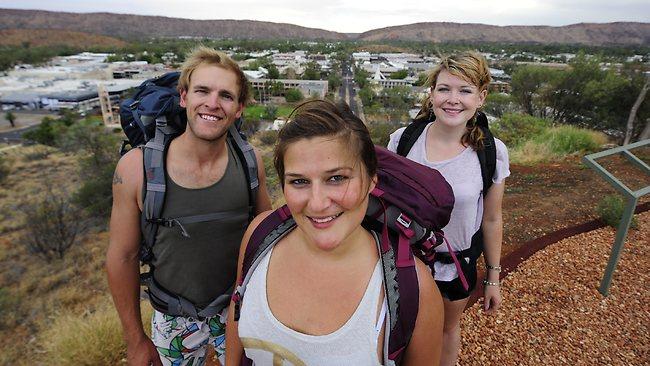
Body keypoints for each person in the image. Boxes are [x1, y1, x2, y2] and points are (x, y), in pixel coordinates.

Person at [225, 99, 444, 366]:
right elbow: (237, 310)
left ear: (371, 180)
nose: (317, 203)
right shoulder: (260, 234)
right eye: (299, 181)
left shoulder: (413, 288)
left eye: (337, 178)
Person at [107, 46, 272, 366]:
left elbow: (265, 239)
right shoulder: (136, 169)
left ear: (239, 108)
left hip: (238, 311)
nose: (212, 103)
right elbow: (122, 256)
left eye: (226, 95)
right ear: (184, 97)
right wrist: (135, 340)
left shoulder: (251, 162)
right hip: (173, 316)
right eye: (202, 91)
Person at [387, 51, 510, 366]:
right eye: (444, 89)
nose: (453, 99)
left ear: (480, 98)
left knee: (445, 329)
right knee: (397, 328)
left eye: (465, 90)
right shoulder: (403, 142)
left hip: (454, 265)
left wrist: (492, 278)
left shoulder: (491, 153)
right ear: (431, 94)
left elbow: (493, 219)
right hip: (402, 260)